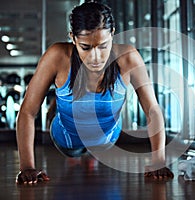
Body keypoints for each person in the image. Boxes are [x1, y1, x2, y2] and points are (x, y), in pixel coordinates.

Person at [15, 1, 174, 184]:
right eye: (86, 47)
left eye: (103, 46)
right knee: (73, 147)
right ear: (73, 38)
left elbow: (152, 108)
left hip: (105, 139)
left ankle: (90, 156)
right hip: (66, 139)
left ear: (112, 34)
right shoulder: (58, 56)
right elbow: (27, 111)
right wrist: (27, 167)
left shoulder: (128, 58)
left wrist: (158, 162)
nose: (96, 57)